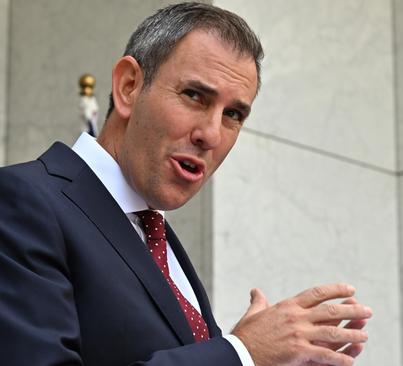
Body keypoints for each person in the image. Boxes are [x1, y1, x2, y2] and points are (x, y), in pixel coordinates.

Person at [0, 3, 372, 366]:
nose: (211, 134)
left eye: (233, 114)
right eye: (195, 95)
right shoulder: (21, 200)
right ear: (129, 87)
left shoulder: (153, 232)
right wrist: (241, 353)